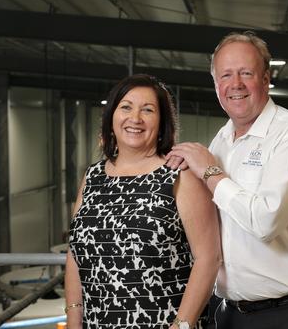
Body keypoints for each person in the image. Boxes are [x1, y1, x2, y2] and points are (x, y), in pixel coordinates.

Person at [166, 32, 288, 329]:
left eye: (245, 73)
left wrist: (210, 173)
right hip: (231, 311)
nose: (235, 84)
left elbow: (265, 221)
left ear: (265, 79)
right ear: (215, 85)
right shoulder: (221, 140)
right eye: (225, 75)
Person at [65, 74, 221, 329]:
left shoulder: (180, 175)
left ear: (162, 123)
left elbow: (208, 258)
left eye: (147, 110)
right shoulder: (92, 176)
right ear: (112, 116)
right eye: (126, 107)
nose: (135, 118)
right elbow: (75, 253)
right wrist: (73, 320)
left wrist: (182, 326)